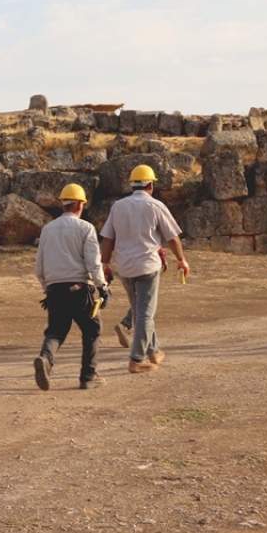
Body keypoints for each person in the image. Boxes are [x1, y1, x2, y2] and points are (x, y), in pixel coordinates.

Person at [100, 165, 189, 373]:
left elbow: (107, 238)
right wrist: (181, 260)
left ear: (132, 185)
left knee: (140, 311)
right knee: (145, 314)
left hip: (124, 267)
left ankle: (154, 350)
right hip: (147, 265)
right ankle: (136, 359)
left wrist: (105, 264)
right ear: (151, 185)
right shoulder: (155, 206)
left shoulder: (118, 206)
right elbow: (172, 237)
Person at [32, 183, 111, 390]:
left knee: (56, 331)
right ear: (81, 205)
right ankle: (88, 376)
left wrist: (47, 288)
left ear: (62, 204)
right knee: (92, 329)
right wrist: (102, 286)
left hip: (54, 289)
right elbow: (93, 263)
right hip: (79, 288)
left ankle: (45, 358)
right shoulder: (86, 228)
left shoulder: (47, 229)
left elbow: (39, 266)